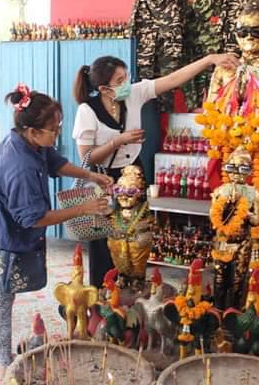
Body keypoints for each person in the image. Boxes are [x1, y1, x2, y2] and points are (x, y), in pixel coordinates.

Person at [0, 83, 112, 380]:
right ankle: (3, 361)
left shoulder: (30, 143)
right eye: (53, 130)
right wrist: (84, 208)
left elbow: (55, 163)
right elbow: (33, 218)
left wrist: (88, 173)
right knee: (1, 290)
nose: (57, 133)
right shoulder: (18, 164)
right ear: (32, 131)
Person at [72, 52, 239, 288]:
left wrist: (209, 59)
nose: (126, 85)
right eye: (119, 81)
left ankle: (133, 286)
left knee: (138, 235)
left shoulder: (134, 94)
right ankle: (103, 293)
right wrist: (119, 140)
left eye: (126, 77)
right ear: (104, 89)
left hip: (133, 175)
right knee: (105, 241)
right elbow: (86, 157)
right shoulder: (87, 111)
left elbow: (173, 80)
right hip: (103, 179)